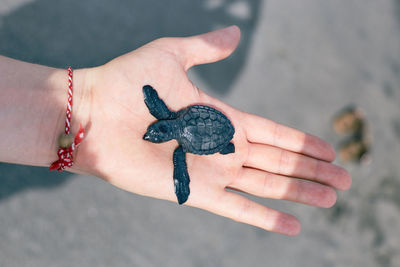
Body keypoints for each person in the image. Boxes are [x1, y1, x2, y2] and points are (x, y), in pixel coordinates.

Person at [0, 26, 351, 236]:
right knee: (213, 145)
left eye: (155, 131)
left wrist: (84, 105)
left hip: (216, 134)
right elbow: (152, 100)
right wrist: (87, 102)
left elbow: (154, 104)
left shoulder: (177, 138)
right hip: (210, 133)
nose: (153, 130)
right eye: (156, 131)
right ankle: (225, 147)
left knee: (217, 146)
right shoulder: (177, 136)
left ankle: (227, 147)